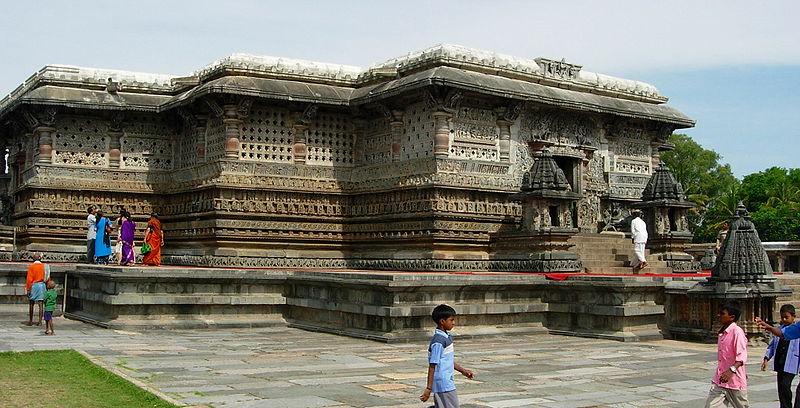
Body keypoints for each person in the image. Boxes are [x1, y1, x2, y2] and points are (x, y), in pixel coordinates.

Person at [419, 304, 474, 408]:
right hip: (443, 383)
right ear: (442, 321)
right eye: (451, 320)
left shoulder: (446, 337)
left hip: (447, 381)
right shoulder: (438, 342)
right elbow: (432, 365)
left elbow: (447, 360)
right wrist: (429, 388)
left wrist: (463, 371)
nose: (453, 323)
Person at [705, 301, 748, 408]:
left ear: (732, 317)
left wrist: (731, 370)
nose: (718, 315)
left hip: (734, 381)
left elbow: (741, 356)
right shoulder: (722, 333)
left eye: (722, 313)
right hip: (720, 380)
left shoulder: (737, 332)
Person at [761, 304, 800, 408]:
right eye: (782, 317)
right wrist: (766, 358)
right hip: (780, 362)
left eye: (786, 317)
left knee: (785, 385)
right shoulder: (779, 330)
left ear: (793, 316)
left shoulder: (796, 329)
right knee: (781, 387)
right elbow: (772, 346)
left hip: (792, 363)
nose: (784, 319)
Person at [24, 252, 49, 326]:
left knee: (31, 303)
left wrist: (28, 289)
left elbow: (29, 279)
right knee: (41, 304)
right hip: (42, 285)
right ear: (40, 258)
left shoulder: (31, 267)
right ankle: (40, 321)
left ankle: (31, 321)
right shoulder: (44, 266)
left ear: (33, 258)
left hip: (34, 285)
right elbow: (47, 277)